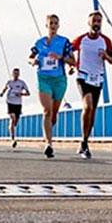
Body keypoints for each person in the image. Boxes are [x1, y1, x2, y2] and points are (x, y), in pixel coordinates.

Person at [29, 14, 75, 158]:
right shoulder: (40, 42)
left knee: (54, 114)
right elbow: (30, 57)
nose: (53, 26)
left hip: (59, 80)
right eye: (51, 23)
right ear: (46, 25)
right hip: (44, 78)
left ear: (58, 25)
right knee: (47, 111)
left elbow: (73, 61)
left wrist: (61, 58)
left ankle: (49, 132)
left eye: (56, 23)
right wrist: (33, 61)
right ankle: (49, 143)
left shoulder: (64, 42)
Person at [72, 11, 112, 159]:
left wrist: (106, 56)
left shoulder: (105, 41)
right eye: (94, 21)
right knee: (87, 106)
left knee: (92, 113)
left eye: (99, 21)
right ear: (89, 22)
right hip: (83, 76)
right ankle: (84, 143)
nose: (96, 24)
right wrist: (71, 65)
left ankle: (84, 141)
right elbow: (68, 52)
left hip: (97, 79)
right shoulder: (81, 39)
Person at [0, 68, 30, 148]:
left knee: (15, 122)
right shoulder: (9, 82)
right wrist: (2, 93)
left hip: (18, 103)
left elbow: (28, 93)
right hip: (10, 102)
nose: (16, 75)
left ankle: (11, 130)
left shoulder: (22, 83)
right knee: (12, 118)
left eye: (17, 73)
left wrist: (21, 94)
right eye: (14, 73)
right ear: (12, 74)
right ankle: (13, 139)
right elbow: (5, 88)